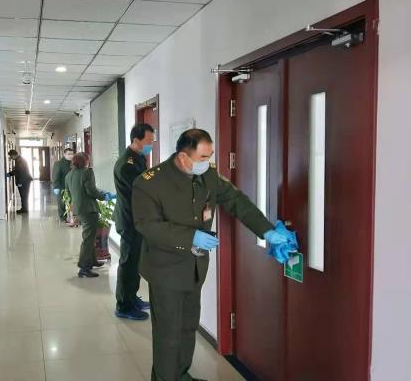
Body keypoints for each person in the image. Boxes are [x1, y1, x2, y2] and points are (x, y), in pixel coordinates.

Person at [132, 129, 297, 381]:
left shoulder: (208, 175)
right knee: (168, 333)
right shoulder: (149, 183)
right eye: (202, 157)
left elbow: (236, 201)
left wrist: (266, 231)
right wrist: (191, 237)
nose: (207, 162)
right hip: (165, 269)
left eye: (209, 156)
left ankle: (181, 375)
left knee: (188, 328)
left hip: (195, 267)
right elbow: (148, 226)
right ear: (183, 156)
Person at [113, 123, 155, 321]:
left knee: (135, 262)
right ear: (136, 140)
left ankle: (132, 298)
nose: (151, 144)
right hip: (130, 220)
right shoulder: (127, 164)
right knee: (128, 263)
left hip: (137, 220)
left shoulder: (138, 157)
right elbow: (141, 191)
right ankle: (123, 305)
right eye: (149, 141)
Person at [65, 152, 115, 278]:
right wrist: (104, 196)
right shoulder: (87, 172)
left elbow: (70, 192)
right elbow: (91, 190)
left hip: (78, 209)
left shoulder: (69, 175)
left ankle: (92, 260)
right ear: (85, 161)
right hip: (89, 210)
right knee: (88, 239)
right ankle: (84, 267)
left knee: (90, 236)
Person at [7, 149, 33, 214]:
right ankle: (24, 208)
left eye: (11, 156)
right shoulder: (19, 159)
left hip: (24, 181)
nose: (11, 158)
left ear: (14, 155)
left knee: (24, 195)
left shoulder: (19, 160)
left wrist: (20, 182)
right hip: (25, 180)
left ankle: (24, 209)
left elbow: (20, 171)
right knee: (24, 195)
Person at [52, 148, 74, 221]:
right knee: (62, 203)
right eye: (68, 154)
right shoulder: (59, 163)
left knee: (71, 202)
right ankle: (62, 217)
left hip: (71, 186)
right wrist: (56, 186)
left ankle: (72, 217)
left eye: (72, 154)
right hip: (61, 186)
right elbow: (55, 176)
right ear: (64, 154)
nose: (70, 156)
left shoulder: (73, 163)